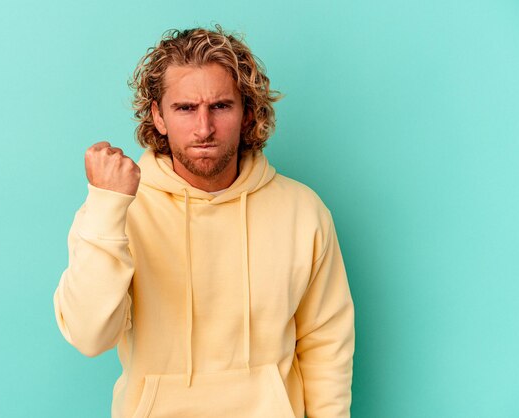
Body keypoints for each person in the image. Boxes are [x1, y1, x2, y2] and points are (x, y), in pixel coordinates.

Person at [53, 25, 355, 418]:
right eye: (184, 108)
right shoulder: (118, 210)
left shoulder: (303, 210)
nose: (204, 128)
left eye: (221, 106)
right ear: (157, 116)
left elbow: (326, 345)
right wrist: (108, 204)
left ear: (248, 113)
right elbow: (90, 335)